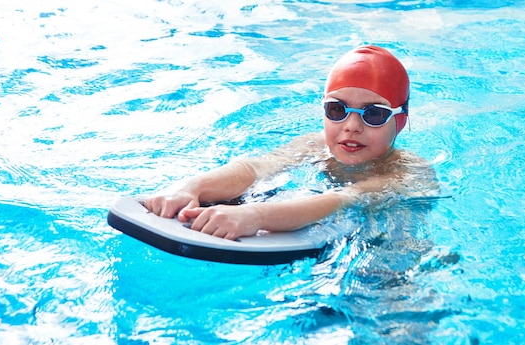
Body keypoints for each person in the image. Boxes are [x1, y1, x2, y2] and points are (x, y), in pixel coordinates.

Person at [144, 45, 438, 240]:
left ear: (399, 121)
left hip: (382, 248)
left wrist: (254, 216)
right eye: (337, 109)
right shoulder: (315, 145)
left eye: (373, 114)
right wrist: (189, 187)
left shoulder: (407, 172)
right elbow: (255, 168)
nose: (351, 126)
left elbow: (346, 198)